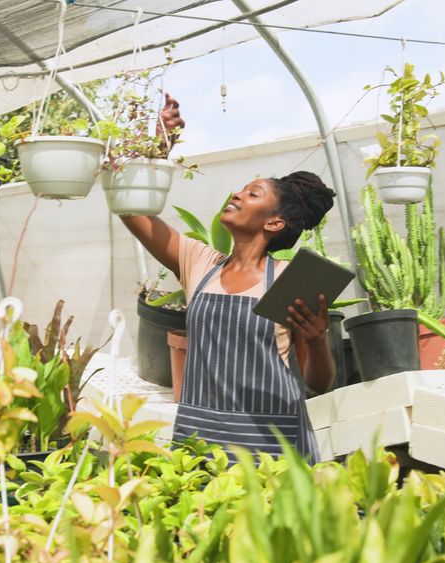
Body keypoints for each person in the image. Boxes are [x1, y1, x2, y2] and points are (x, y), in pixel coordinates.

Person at [119, 94, 336, 462]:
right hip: (201, 443)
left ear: (274, 222)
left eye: (252, 194)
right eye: (241, 189)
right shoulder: (199, 263)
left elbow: (318, 382)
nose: (237, 194)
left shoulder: (291, 279)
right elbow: (131, 210)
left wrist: (317, 341)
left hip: (273, 448)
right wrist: (158, 148)